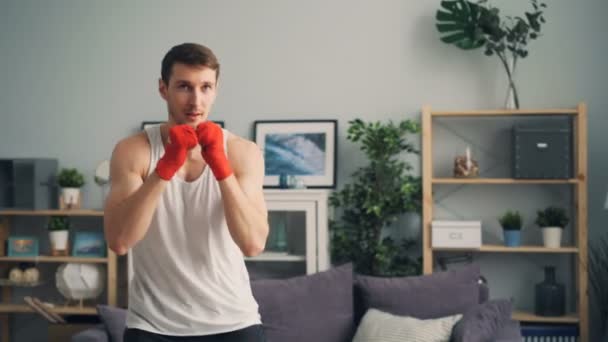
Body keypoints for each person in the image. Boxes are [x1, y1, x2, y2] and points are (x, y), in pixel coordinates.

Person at [104, 43, 269, 342]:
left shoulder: (243, 153)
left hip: (233, 321)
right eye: (184, 87)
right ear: (163, 88)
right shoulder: (134, 152)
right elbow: (119, 241)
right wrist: (165, 167)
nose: (196, 100)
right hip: (153, 325)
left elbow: (253, 244)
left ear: (216, 89)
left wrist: (221, 166)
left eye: (206, 87)